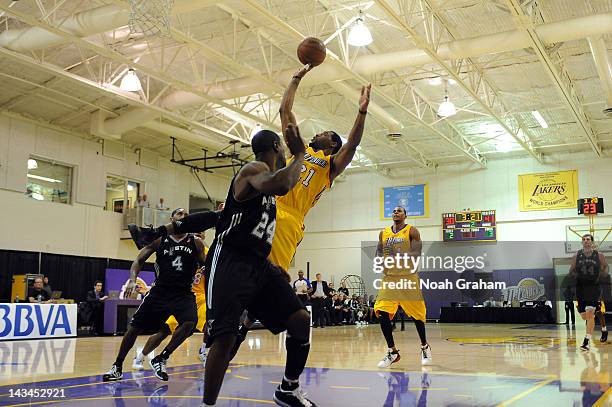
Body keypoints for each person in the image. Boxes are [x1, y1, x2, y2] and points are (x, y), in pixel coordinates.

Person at [201, 125, 315, 407]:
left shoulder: (267, 184)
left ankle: (288, 389)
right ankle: (207, 404)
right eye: (284, 148)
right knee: (225, 338)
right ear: (277, 147)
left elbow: (255, 230)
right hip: (230, 260)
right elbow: (282, 184)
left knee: (300, 319)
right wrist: (300, 153)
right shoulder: (252, 170)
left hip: (259, 266)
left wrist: (271, 265)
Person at [102, 208, 206, 382]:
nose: (184, 216)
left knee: (189, 323)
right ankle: (117, 365)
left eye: (186, 215)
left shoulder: (195, 242)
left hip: (183, 293)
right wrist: (133, 280)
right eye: (180, 214)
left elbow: (205, 265)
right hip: (160, 291)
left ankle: (161, 358)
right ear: (172, 218)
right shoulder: (160, 239)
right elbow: (138, 261)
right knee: (134, 328)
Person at [133, 230, 210, 369]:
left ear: (204, 235)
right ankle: (141, 357)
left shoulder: (205, 250)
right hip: (182, 295)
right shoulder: (184, 247)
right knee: (164, 331)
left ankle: (204, 351)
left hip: (201, 297)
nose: (198, 234)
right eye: (196, 231)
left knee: (211, 321)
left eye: (201, 232)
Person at [374, 206, 431, 367]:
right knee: (381, 311)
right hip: (390, 278)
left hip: (408, 277)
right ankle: (392, 351)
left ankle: (424, 346)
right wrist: (380, 260)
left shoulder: (412, 231)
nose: (395, 213)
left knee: (417, 316)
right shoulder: (383, 233)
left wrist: (398, 255)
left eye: (399, 211)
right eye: (393, 211)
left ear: (405, 215)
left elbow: (417, 252)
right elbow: (378, 251)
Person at [569, 233, 609, 351]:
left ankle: (586, 341)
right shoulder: (577, 255)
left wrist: (603, 274)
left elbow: (606, 267)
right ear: (582, 242)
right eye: (584, 239)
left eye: (588, 239)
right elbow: (571, 270)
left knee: (592, 314)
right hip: (580, 289)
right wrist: (574, 275)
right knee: (584, 316)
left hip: (594, 288)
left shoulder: (599, 255)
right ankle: (598, 326)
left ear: (592, 242)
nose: (586, 241)